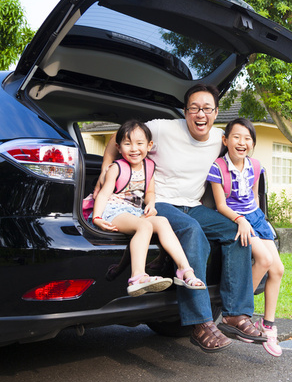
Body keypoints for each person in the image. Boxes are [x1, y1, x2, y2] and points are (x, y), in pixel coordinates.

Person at [96, 84, 266, 353]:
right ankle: (200, 323)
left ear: (216, 113)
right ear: (185, 111)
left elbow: (240, 160)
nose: (201, 114)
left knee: (235, 231)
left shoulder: (221, 139)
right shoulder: (162, 128)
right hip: (158, 203)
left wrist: (247, 214)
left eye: (207, 109)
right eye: (195, 108)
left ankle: (236, 314)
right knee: (191, 230)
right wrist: (105, 176)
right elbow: (115, 141)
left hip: (193, 204)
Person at [91, 120, 206, 297]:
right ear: (119, 147)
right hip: (114, 210)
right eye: (127, 144)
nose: (134, 149)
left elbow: (150, 192)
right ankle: (137, 277)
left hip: (135, 211)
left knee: (161, 221)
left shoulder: (149, 167)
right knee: (145, 226)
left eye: (139, 143)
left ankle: (185, 271)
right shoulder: (116, 168)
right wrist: (97, 217)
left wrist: (151, 204)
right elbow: (104, 194)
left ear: (149, 145)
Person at [207, 117, 285, 357]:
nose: (242, 142)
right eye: (237, 137)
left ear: (253, 143)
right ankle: (236, 313)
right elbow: (220, 205)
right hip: (235, 218)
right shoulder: (218, 167)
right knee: (263, 260)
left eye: (248, 138)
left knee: (278, 270)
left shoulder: (256, 166)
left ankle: (268, 325)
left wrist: (260, 219)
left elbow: (254, 196)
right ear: (225, 140)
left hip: (255, 218)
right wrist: (240, 220)